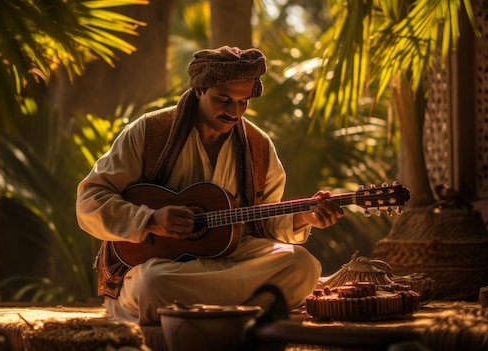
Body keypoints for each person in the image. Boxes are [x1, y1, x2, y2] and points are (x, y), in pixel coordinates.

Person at [76, 46, 344, 325]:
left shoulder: (259, 145)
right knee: (153, 285)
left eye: (243, 102)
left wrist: (303, 217)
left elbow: (265, 222)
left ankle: (199, 310)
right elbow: (90, 199)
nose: (234, 112)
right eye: (223, 99)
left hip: (233, 258)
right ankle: (249, 308)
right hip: (161, 266)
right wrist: (150, 219)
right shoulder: (149, 132)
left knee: (301, 266)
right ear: (199, 90)